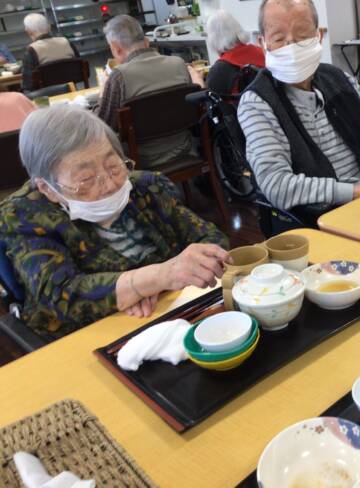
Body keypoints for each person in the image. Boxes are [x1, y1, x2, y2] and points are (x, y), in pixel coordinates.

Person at [0, 106, 230, 339]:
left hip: (170, 316)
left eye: (113, 166)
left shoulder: (145, 187)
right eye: (86, 179)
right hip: (87, 338)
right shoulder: (23, 215)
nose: (110, 185)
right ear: (48, 188)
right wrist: (155, 278)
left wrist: (149, 286)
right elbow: (62, 295)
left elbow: (211, 239)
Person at [237, 0, 360, 216]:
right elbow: (276, 184)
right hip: (326, 216)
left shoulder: (339, 78)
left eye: (302, 36)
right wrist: (352, 193)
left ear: (319, 35)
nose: (291, 47)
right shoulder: (257, 103)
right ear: (263, 44)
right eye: (279, 39)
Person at [96, 15, 196, 168]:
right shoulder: (179, 64)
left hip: (140, 157)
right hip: (184, 146)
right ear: (146, 41)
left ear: (115, 48)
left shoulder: (119, 76)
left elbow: (102, 126)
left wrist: (103, 92)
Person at [204, 10, 265, 95]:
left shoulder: (220, 69)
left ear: (213, 39)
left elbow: (210, 99)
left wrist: (198, 81)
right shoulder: (262, 52)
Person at [21, 13, 78, 92]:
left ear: (28, 31)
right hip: (72, 91)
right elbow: (80, 67)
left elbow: (28, 85)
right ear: (49, 27)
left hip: (47, 96)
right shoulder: (66, 42)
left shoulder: (31, 50)